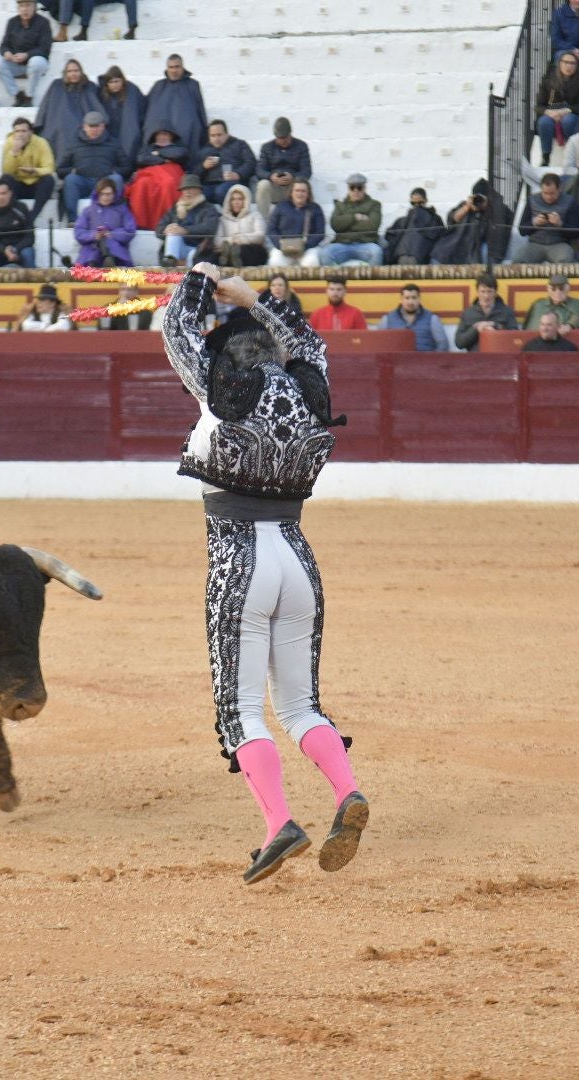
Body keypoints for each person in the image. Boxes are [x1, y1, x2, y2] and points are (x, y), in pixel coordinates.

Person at [159, 261, 366, 886]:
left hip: (238, 561)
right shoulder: (310, 391)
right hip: (299, 559)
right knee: (300, 704)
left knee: (240, 710)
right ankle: (347, 793)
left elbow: (175, 327)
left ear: (230, 362)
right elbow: (311, 343)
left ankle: (279, 823)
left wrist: (197, 278)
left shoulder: (222, 393)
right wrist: (253, 296)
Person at [56, 110, 128, 220]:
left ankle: (115, 218)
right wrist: (73, 171)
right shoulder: (74, 143)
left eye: (97, 126)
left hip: (105, 184)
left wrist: (113, 171)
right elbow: (60, 169)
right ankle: (72, 220)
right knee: (70, 179)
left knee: (116, 178)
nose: (94, 129)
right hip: (83, 183)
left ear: (103, 126)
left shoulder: (114, 143)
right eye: (91, 126)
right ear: (84, 126)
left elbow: (127, 167)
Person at [36, 58, 101, 166]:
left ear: (81, 71)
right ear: (65, 73)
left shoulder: (89, 86)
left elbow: (95, 108)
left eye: (76, 71)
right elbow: (45, 106)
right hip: (57, 129)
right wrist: (38, 125)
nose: (73, 74)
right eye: (70, 71)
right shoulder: (56, 85)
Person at [124, 127, 189, 231]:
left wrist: (158, 153)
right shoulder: (148, 148)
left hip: (171, 173)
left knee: (169, 184)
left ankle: (169, 222)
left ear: (171, 136)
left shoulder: (178, 147)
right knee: (142, 184)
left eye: (165, 134)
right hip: (149, 174)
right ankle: (141, 223)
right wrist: (165, 159)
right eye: (159, 134)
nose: (162, 137)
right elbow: (141, 159)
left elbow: (179, 155)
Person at [143, 54, 208, 153]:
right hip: (161, 138)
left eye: (177, 67)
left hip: (187, 137)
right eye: (171, 67)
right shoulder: (159, 86)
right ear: (167, 68)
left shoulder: (193, 85)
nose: (174, 70)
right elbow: (147, 109)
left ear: (182, 67)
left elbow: (200, 111)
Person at [511, 173, 579, 264]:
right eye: (545, 193)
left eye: (552, 193)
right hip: (535, 244)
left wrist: (560, 224)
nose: (548, 197)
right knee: (518, 259)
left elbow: (576, 232)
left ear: (559, 189)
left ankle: (558, 279)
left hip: (559, 244)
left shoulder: (570, 202)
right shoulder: (532, 200)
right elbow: (522, 230)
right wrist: (534, 223)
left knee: (565, 260)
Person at [155, 173, 220, 266]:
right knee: (173, 231)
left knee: (192, 256)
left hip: (199, 250)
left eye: (191, 188)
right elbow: (158, 228)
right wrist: (166, 230)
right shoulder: (175, 208)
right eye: (184, 189)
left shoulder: (209, 208)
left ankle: (176, 264)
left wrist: (186, 230)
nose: (187, 192)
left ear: (199, 190)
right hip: (178, 249)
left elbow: (209, 228)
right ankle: (170, 261)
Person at [0, 115, 55, 223]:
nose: (20, 134)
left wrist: (35, 170)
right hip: (18, 184)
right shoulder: (9, 143)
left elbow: (50, 168)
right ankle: (14, 215)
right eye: (17, 131)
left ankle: (32, 216)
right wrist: (14, 152)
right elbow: (6, 171)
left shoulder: (41, 142)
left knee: (48, 179)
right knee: (5, 179)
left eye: (24, 131)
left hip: (36, 184)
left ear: (30, 132)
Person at [0, 0, 51, 107]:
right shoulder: (12, 22)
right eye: (21, 6)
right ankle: (18, 95)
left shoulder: (43, 23)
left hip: (36, 63)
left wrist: (27, 55)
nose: (25, 9)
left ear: (34, 7)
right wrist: (6, 53)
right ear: (18, 8)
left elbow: (45, 48)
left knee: (36, 63)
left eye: (28, 5)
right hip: (16, 63)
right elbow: (3, 45)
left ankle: (29, 97)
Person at [254, 117, 312, 219]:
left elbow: (307, 171)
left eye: (285, 138)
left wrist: (293, 177)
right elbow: (259, 170)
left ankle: (302, 221)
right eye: (279, 138)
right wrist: (271, 176)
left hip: (293, 187)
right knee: (262, 185)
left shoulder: (301, 146)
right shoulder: (267, 147)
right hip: (274, 187)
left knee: (303, 186)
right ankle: (263, 221)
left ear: (290, 134)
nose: (282, 141)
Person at [535, 52, 579, 156]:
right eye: (565, 62)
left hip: (570, 112)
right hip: (551, 112)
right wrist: (549, 112)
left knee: (568, 121)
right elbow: (538, 106)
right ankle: (546, 155)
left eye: (572, 63)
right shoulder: (548, 80)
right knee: (544, 122)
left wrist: (565, 111)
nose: (568, 66)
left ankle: (572, 152)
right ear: (559, 63)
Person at [73, 177, 136, 266]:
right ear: (98, 194)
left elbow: (130, 231)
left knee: (108, 243)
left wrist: (112, 234)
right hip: (91, 252)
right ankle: (94, 266)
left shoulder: (122, 210)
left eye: (108, 194)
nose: (105, 197)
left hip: (116, 252)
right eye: (102, 194)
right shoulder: (88, 211)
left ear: (114, 194)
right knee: (95, 249)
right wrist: (94, 235)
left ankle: (109, 260)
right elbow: (79, 232)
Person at [323, 173, 383, 266]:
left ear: (364, 189)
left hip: (365, 244)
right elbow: (335, 225)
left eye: (359, 188)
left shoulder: (375, 204)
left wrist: (346, 223)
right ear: (348, 189)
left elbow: (372, 226)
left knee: (377, 252)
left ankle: (369, 280)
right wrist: (355, 217)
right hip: (342, 244)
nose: (356, 191)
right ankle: (336, 280)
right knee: (325, 254)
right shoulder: (340, 205)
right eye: (352, 188)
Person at [204, 183, 266, 268]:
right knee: (215, 254)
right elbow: (218, 240)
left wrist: (239, 239)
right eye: (233, 199)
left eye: (240, 199)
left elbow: (260, 236)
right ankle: (230, 256)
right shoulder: (223, 219)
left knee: (247, 250)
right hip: (227, 249)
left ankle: (232, 256)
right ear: (229, 201)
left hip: (251, 250)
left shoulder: (255, 215)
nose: (236, 202)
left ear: (246, 200)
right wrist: (233, 240)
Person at [264, 179, 324, 268]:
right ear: (291, 192)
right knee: (275, 263)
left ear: (308, 194)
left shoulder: (315, 208)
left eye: (303, 191)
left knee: (311, 263)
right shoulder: (281, 206)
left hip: (307, 249)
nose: (300, 194)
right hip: (283, 248)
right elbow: (271, 229)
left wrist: (305, 245)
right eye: (297, 190)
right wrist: (280, 244)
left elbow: (320, 232)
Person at [194, 119, 255, 205]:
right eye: (213, 136)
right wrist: (203, 167)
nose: (216, 138)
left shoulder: (239, 145)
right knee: (198, 195)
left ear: (227, 134)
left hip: (234, 183)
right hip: (209, 184)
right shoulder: (203, 151)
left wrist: (238, 174)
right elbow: (194, 174)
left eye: (219, 135)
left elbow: (251, 163)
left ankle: (226, 217)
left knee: (221, 191)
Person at [0, 180, 35, 268]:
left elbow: (30, 237)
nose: (1, 197)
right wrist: (4, 250)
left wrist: (14, 249)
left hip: (19, 249)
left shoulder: (21, 208)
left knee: (28, 253)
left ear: (10, 193)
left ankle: (33, 281)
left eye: (4, 193)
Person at [453, 273, 517, 351]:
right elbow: (459, 343)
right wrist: (476, 329)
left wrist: (495, 326)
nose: (486, 296)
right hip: (474, 360)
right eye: (483, 291)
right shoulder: (468, 313)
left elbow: (515, 338)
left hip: (500, 358)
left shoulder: (506, 311)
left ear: (495, 293)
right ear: (477, 292)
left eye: (490, 292)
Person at [380, 283, 448, 351]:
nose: (410, 302)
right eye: (407, 298)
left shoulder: (432, 319)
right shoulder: (387, 319)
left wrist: (431, 360)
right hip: (398, 360)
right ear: (401, 299)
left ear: (419, 299)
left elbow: (443, 345)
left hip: (424, 360)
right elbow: (380, 344)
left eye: (414, 297)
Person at [97, 65, 146, 163]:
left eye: (117, 81)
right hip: (110, 134)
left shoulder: (132, 91)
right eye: (111, 82)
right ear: (107, 84)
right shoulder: (102, 96)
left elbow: (142, 111)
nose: (114, 84)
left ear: (122, 80)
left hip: (127, 134)